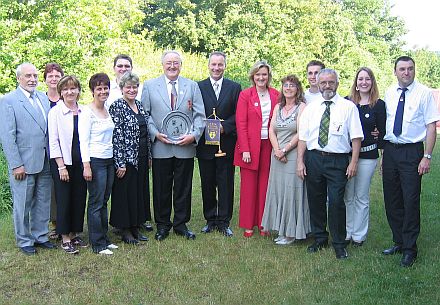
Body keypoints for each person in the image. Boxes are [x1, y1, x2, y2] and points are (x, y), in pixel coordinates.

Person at [297, 68, 363, 259]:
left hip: (338, 160)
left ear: (337, 84)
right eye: (323, 82)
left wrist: (354, 163)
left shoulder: (348, 107)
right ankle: (320, 238)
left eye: (331, 82)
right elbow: (303, 137)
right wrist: (300, 161)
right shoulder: (311, 108)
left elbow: (357, 138)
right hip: (314, 158)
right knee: (315, 200)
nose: (327, 86)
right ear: (317, 84)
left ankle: (339, 243)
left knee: (336, 202)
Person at [141, 50, 205, 241]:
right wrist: (155, 134)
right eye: (168, 63)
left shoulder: (192, 86)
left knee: (183, 188)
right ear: (163, 64)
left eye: (175, 63)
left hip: (185, 147)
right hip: (161, 147)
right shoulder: (150, 86)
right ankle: (162, 225)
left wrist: (193, 136)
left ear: (180, 65)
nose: (172, 66)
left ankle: (180, 224)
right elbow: (146, 114)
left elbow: (200, 116)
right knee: (161, 187)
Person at [381, 56, 439, 267]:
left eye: (410, 69)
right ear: (395, 71)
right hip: (390, 151)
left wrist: (427, 155)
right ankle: (399, 241)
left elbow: (431, 126)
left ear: (414, 70)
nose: (406, 72)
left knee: (410, 199)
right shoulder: (388, 92)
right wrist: (383, 155)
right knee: (392, 199)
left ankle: (410, 248)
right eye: (402, 69)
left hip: (412, 152)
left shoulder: (423, 93)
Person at [0, 62, 55, 255]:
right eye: (28, 76)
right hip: (23, 163)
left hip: (45, 160)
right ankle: (24, 240)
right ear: (18, 78)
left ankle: (40, 236)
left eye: (34, 76)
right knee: (23, 203)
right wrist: (16, 165)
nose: (32, 79)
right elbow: (7, 136)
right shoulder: (9, 100)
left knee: (43, 201)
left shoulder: (42, 97)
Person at [261, 75, 310, 245]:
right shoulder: (278, 107)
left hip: (293, 154)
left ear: (298, 89)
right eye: (285, 85)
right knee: (279, 191)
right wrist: (276, 150)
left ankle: (292, 233)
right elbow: (271, 130)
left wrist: (285, 149)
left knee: (291, 192)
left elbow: (301, 131)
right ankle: (281, 229)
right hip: (277, 156)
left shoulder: (302, 107)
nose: (288, 88)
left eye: (292, 85)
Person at [197, 51, 241, 237]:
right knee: (207, 183)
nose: (216, 68)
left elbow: (239, 114)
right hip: (205, 144)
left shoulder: (234, 87)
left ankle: (224, 220)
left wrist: (226, 127)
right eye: (213, 64)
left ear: (225, 66)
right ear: (208, 65)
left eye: (220, 65)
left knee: (225, 183)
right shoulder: (198, 86)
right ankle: (210, 219)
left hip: (226, 143)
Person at [234, 60, 279, 238]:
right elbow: (241, 123)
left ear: (268, 77)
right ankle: (248, 224)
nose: (261, 77)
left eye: (264, 74)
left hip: (269, 145)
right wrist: (245, 149)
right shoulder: (245, 95)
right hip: (250, 147)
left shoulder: (276, 94)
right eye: (258, 74)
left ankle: (263, 223)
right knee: (249, 187)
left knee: (265, 186)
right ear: (253, 76)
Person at [344, 67, 386, 247]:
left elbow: (383, 132)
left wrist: (383, 155)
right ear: (356, 82)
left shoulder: (379, 104)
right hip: (347, 156)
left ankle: (359, 235)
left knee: (361, 195)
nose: (363, 82)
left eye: (367, 79)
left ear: (372, 81)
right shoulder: (347, 102)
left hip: (368, 156)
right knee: (348, 195)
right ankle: (347, 232)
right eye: (360, 79)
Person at [109, 72, 152, 245]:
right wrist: (120, 162)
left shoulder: (140, 106)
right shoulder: (117, 106)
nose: (132, 90)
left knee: (138, 192)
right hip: (126, 158)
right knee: (125, 194)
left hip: (141, 155)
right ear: (121, 89)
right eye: (128, 87)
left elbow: (146, 133)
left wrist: (149, 156)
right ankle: (125, 230)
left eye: (135, 87)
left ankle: (135, 226)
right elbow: (116, 136)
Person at [48, 75, 88, 255]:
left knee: (79, 197)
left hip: (81, 162)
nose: (69, 92)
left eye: (73, 88)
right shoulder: (55, 112)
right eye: (65, 89)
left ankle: (74, 234)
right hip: (62, 162)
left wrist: (87, 163)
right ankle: (64, 237)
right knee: (64, 199)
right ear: (61, 92)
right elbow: (53, 141)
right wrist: (61, 166)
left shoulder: (84, 111)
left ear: (78, 90)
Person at [78, 73, 117, 254]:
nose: (103, 91)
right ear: (92, 91)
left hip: (109, 160)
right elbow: (83, 141)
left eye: (105, 88)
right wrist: (86, 165)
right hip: (95, 161)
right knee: (95, 202)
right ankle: (98, 243)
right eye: (99, 88)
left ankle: (105, 238)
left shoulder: (107, 108)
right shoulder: (87, 112)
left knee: (104, 200)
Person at [43, 62, 64, 240]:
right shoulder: (41, 100)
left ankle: (64, 223)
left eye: (57, 76)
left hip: (65, 153)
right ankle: (54, 223)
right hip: (46, 152)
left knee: (62, 189)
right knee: (50, 190)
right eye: (50, 76)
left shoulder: (66, 99)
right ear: (45, 79)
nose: (54, 79)